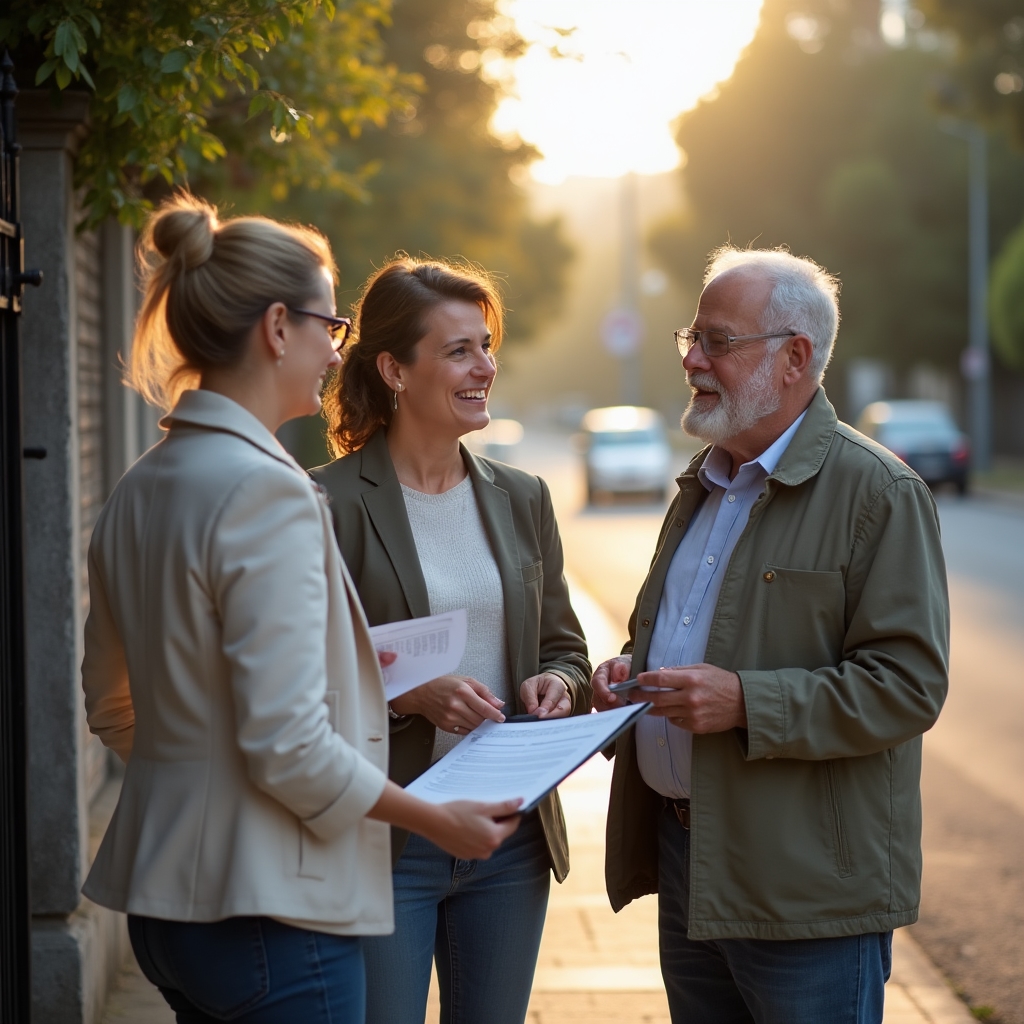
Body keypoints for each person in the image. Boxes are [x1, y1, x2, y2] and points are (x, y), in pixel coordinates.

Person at [80, 196, 522, 1024]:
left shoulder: (141, 483)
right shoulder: (269, 493)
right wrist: (437, 818)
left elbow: (113, 706)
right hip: (272, 912)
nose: (334, 349)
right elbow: (287, 746)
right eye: (331, 324)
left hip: (166, 910)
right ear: (278, 327)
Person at [592, 246, 949, 1024]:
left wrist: (746, 702)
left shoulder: (879, 492)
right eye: (691, 337)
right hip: (692, 863)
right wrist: (633, 671)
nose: (691, 358)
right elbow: (688, 635)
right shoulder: (702, 483)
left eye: (717, 340)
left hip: (807, 892)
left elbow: (908, 687)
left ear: (794, 358)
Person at [311, 256, 592, 1024]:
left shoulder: (523, 497)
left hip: (510, 839)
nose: (485, 368)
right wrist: (407, 694)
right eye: (460, 350)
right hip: (386, 840)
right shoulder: (323, 504)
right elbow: (297, 677)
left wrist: (560, 686)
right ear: (395, 369)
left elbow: (564, 646)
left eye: (488, 346)